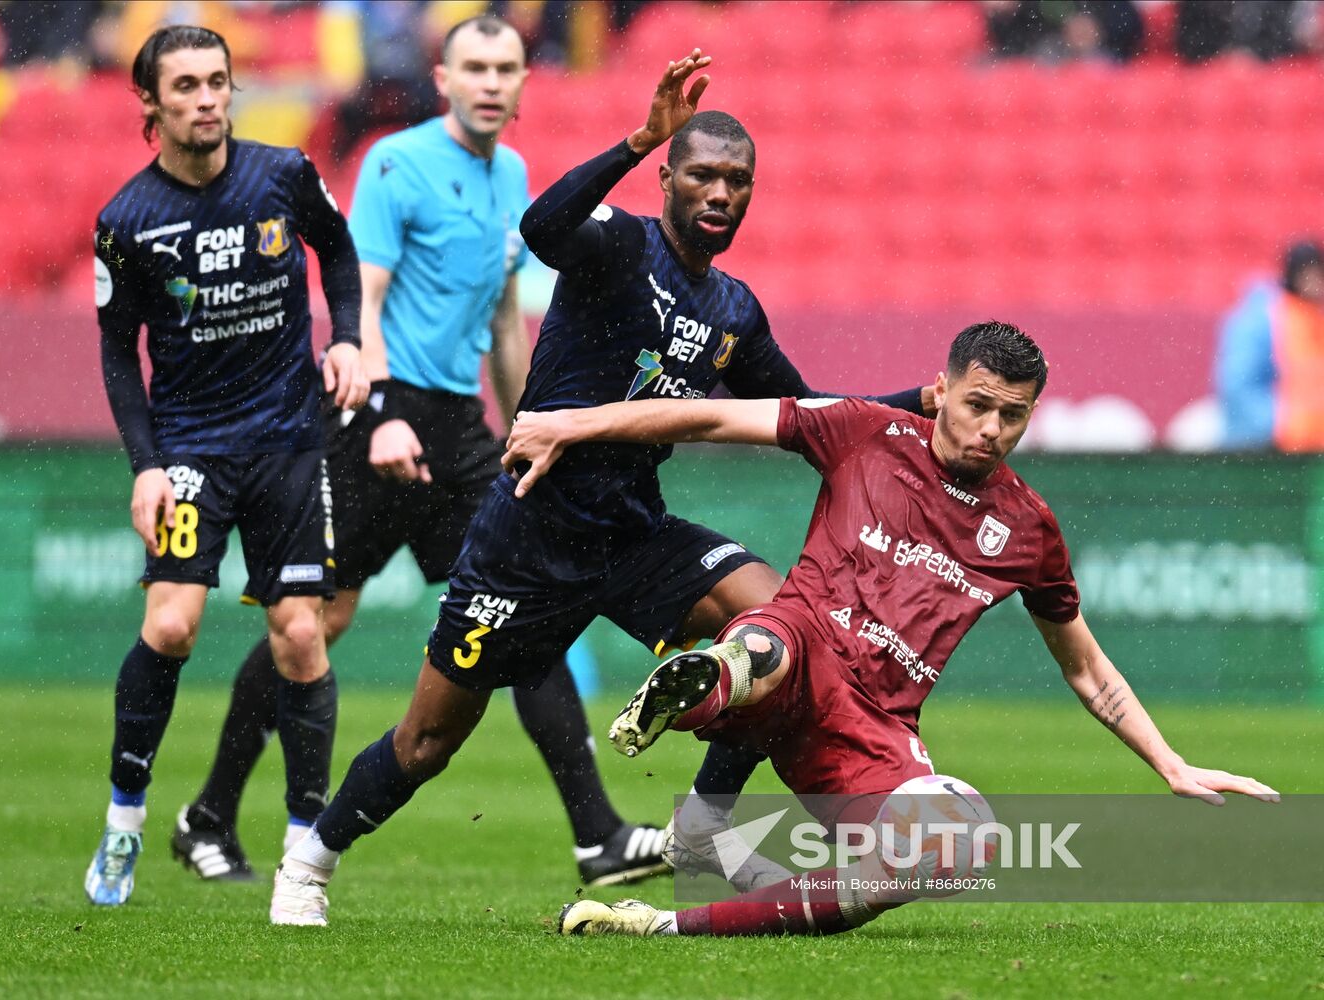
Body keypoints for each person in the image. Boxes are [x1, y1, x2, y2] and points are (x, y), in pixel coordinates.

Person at [267, 49, 931, 926]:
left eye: (738, 181)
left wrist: (914, 406)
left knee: (777, 627)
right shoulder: (618, 245)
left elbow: (802, 411)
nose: (720, 194)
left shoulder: (734, 311)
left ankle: (703, 823)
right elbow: (542, 230)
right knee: (427, 742)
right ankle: (309, 862)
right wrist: (632, 139)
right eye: (702, 175)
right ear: (668, 178)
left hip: (631, 535)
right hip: (529, 540)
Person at [500, 320, 1281, 938]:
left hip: (873, 730)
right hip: (799, 649)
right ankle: (699, 695)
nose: (991, 430)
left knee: (956, 843)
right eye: (978, 405)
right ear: (940, 391)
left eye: (1013, 416)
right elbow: (708, 413)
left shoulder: (1031, 528)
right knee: (764, 643)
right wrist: (573, 426)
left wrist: (1171, 764)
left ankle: (664, 926)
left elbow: (1087, 669)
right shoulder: (862, 431)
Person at [172, 14, 667, 887]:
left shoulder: (514, 173)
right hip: (371, 416)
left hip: (461, 433)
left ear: (521, 82)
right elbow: (359, 303)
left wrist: (532, 432)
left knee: (523, 614)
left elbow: (508, 326)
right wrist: (385, 412)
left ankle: (598, 835)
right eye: (473, 66)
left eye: (504, 67)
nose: (489, 81)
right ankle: (208, 815)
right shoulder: (396, 164)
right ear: (442, 78)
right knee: (314, 622)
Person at [84, 24, 369, 906]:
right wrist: (145, 465)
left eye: (218, 81)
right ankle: (124, 826)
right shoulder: (127, 222)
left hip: (288, 442)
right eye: (187, 86)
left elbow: (341, 251)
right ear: (152, 104)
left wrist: (351, 339)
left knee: (300, 634)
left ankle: (299, 856)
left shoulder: (283, 175)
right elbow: (115, 352)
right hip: (191, 452)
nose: (208, 98)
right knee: (171, 628)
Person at [1216, 240, 1324, 452]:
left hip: (1309, 447)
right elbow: (1238, 388)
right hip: (1263, 449)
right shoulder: (1261, 320)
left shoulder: (1313, 318)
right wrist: (1283, 424)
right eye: (1308, 274)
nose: (1314, 283)